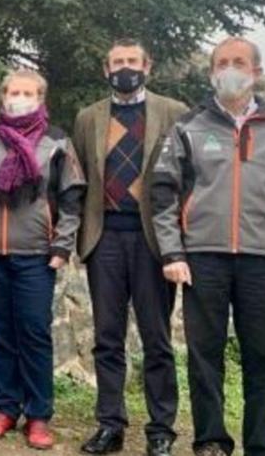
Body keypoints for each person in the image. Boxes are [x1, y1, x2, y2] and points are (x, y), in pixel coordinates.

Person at [151, 36, 265, 456]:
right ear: (211, 72)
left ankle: (261, 446)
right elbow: (163, 194)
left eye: (239, 62)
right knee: (204, 359)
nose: (230, 69)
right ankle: (211, 441)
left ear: (256, 71)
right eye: (222, 62)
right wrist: (173, 253)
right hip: (204, 258)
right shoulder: (188, 127)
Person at [0, 68, 85, 450]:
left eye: (28, 92)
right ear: (3, 97)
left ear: (41, 98)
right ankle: (5, 407)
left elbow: (72, 199)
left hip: (36, 256)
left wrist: (61, 246)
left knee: (33, 333)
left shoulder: (57, 143)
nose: (20, 97)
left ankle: (39, 415)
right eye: (14, 91)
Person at [73, 39, 188, 456]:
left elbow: (185, 178)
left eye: (132, 62)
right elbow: (80, 178)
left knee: (156, 338)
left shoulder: (174, 113)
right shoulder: (88, 118)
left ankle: (161, 429)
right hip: (104, 238)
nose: (125, 68)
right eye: (117, 62)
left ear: (148, 66)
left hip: (153, 239)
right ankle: (110, 424)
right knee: (107, 338)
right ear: (106, 69)